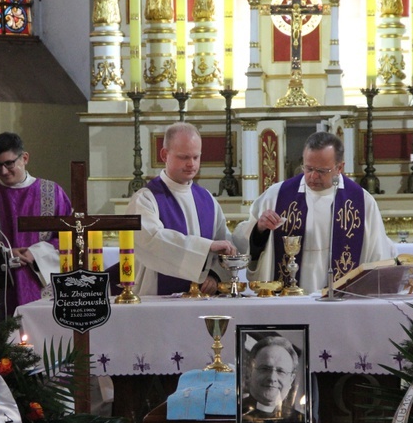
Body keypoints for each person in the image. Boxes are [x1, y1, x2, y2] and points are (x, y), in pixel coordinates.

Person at [235, 131, 395, 294]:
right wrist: (260, 229)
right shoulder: (276, 196)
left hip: (342, 304)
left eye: (321, 171)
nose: (312, 176)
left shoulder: (362, 202)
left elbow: (378, 255)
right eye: (308, 168)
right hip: (288, 303)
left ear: (339, 167)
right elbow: (244, 242)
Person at [0, 132, 72, 312]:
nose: (3, 171)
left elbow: (70, 237)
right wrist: (5, 253)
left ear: (24, 158)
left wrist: (37, 252)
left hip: (43, 285)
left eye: (9, 163)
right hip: (3, 287)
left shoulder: (52, 193)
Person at [126, 122, 237, 295]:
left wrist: (214, 276)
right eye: (184, 157)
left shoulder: (207, 199)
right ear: (164, 154)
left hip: (201, 301)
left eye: (196, 157)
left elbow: (223, 245)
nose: (191, 164)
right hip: (157, 300)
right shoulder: (146, 199)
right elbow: (152, 242)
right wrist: (206, 247)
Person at [242, 336, 303, 423]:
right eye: (264, 369)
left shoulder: (299, 421)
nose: (272, 378)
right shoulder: (234, 413)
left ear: (291, 380)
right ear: (250, 372)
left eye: (281, 371)